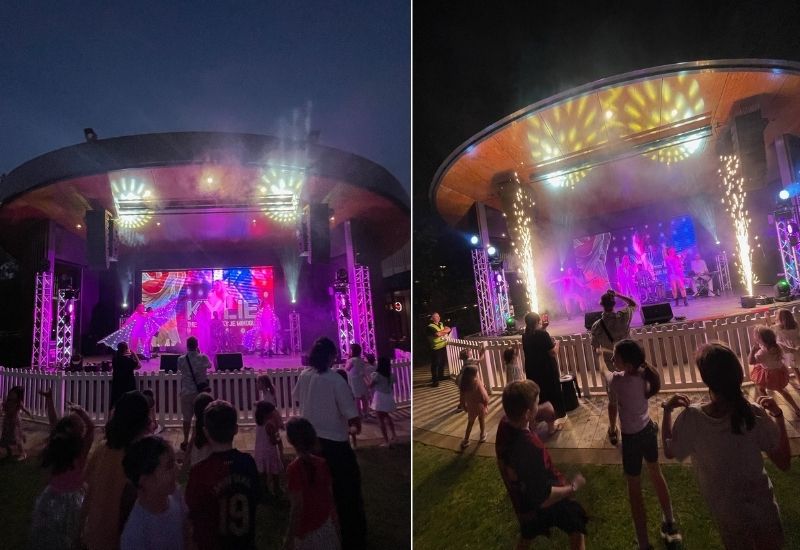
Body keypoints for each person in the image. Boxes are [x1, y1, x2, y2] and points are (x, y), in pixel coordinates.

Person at [662, 342, 791, 549]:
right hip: (765, 511)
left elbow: (670, 451)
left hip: (729, 516)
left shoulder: (693, 419)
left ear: (706, 379)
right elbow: (784, 462)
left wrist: (667, 412)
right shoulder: (753, 413)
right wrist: (779, 417)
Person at [293, 337, 366, 550]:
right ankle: (352, 537)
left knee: (315, 493)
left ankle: (317, 535)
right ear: (332, 357)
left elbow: (297, 398)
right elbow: (353, 418)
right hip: (334, 445)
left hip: (310, 445)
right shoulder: (335, 380)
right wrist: (353, 427)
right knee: (347, 494)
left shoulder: (304, 375)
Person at [496, 380, 587, 550]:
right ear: (527, 414)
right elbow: (544, 498)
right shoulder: (530, 447)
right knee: (576, 524)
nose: (538, 407)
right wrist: (572, 487)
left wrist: (537, 414)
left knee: (528, 533)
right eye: (536, 405)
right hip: (542, 502)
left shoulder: (505, 425)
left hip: (522, 502)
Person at [609, 339, 681, 549]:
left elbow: (606, 374)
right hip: (648, 430)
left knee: (634, 489)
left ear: (628, 365)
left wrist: (598, 356)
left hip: (631, 439)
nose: (612, 359)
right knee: (656, 473)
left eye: (615, 357)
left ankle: (643, 543)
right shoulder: (644, 375)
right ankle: (670, 521)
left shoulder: (617, 381)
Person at [185, 400, 260, 550]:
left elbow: (192, 512)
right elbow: (256, 496)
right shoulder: (248, 463)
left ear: (206, 432)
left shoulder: (200, 472)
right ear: (236, 429)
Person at [82, 390, 151, 550]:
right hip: (120, 540)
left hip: (95, 535)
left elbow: (88, 482)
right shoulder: (139, 459)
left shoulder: (102, 449)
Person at [30, 389, 94, 550]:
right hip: (72, 498)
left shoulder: (57, 447)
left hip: (52, 496)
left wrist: (49, 400)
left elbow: (53, 423)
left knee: (52, 529)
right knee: (72, 530)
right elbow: (91, 428)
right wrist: (82, 412)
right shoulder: (80, 453)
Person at [120, 436, 188, 549]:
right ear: (145, 480)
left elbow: (185, 531)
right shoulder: (135, 535)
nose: (178, 470)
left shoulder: (175, 495)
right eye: (169, 466)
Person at [284, 417, 340, 550]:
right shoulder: (322, 463)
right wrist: (335, 521)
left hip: (306, 530)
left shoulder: (294, 469)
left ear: (290, 440)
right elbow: (330, 496)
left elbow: (297, 507)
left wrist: (289, 538)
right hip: (325, 524)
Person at [590, 289, 637, 445]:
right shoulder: (623, 317)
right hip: (628, 365)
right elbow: (633, 304)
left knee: (613, 401)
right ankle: (635, 425)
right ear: (614, 303)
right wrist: (617, 294)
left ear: (601, 305)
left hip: (611, 368)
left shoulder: (596, 326)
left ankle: (612, 429)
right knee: (631, 395)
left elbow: (595, 348)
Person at [522, 312, 566, 419]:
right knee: (552, 391)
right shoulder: (542, 335)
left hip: (532, 369)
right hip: (546, 369)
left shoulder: (525, 335)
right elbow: (552, 352)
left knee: (539, 393)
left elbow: (536, 339)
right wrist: (557, 344)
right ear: (537, 321)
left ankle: (542, 416)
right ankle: (555, 416)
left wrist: (543, 328)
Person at [748, 325, 800, 415]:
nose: (754, 338)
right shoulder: (778, 346)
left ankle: (771, 407)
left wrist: (753, 351)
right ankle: (797, 409)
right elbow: (788, 349)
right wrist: (794, 349)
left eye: (756, 337)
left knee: (762, 388)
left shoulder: (762, 353)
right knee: (780, 390)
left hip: (768, 375)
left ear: (761, 339)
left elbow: (751, 362)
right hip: (779, 372)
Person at [177, 336, 212, 452]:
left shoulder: (181, 359)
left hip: (186, 392)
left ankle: (185, 440)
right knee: (201, 418)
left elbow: (179, 368)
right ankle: (200, 439)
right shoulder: (203, 358)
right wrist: (199, 353)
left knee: (186, 418)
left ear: (187, 346)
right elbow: (210, 365)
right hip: (200, 394)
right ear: (197, 345)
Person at [254, 399, 285, 498]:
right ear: (267, 414)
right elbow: (273, 441)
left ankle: (264, 490)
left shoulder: (259, 424)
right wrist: (279, 436)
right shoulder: (269, 425)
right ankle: (276, 488)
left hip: (260, 451)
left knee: (262, 472)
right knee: (274, 471)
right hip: (269, 452)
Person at [180, 392, 215, 476]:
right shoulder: (213, 429)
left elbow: (189, 449)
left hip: (195, 470)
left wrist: (183, 469)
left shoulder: (197, 427)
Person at [459, 363, 489, 449]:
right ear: (474, 374)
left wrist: (464, 407)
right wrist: (486, 403)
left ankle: (466, 440)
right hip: (479, 406)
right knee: (481, 420)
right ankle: (482, 435)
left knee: (470, 423)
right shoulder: (477, 382)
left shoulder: (463, 385)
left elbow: (462, 399)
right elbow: (483, 396)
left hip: (471, 407)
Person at [370, 356, 397, 447]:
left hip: (380, 397)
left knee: (380, 419)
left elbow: (370, 385)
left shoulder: (377, 375)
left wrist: (364, 378)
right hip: (388, 396)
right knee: (387, 416)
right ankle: (394, 435)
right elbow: (392, 386)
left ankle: (386, 441)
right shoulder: (391, 375)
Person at [0, 385, 31, 460]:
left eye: (14, 393)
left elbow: (24, 409)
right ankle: (9, 452)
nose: (11, 394)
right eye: (11, 392)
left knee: (16, 438)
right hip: (7, 421)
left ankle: (23, 453)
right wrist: (2, 410)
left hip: (15, 422)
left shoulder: (18, 402)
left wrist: (29, 413)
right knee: (5, 437)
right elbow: (4, 408)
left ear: (18, 395)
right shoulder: (7, 400)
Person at [110, 341, 141, 410]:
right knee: (129, 403)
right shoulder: (128, 360)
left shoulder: (115, 359)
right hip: (128, 384)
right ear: (125, 349)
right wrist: (134, 355)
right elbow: (139, 366)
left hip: (117, 384)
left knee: (116, 403)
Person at [774, 308, 800, 389]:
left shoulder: (779, 328)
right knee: (797, 366)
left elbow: (770, 327)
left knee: (794, 368)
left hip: (789, 350)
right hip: (798, 347)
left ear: (780, 319)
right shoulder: (795, 325)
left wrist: (767, 317)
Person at [345, 343, 371, 418]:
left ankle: (359, 414)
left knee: (357, 398)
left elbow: (347, 369)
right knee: (363, 397)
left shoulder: (351, 360)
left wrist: (347, 359)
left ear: (352, 351)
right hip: (361, 380)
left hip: (355, 381)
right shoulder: (361, 360)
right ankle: (365, 413)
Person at [427, 312, 451, 387]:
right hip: (436, 348)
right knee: (435, 364)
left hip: (443, 346)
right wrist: (444, 331)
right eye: (436, 316)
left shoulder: (441, 324)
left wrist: (442, 332)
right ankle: (435, 381)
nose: (438, 317)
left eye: (439, 316)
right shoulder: (430, 327)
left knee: (442, 363)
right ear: (432, 318)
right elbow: (438, 334)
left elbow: (449, 329)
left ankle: (441, 376)